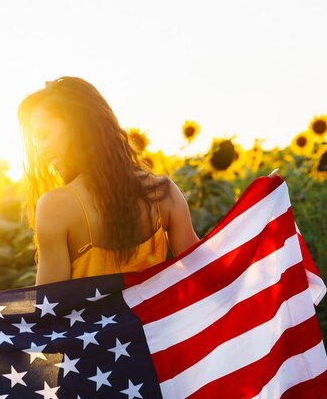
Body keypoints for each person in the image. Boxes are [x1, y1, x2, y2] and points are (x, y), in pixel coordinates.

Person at [17, 76, 201, 286]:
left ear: (78, 126)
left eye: (43, 134)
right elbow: (207, 274)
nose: (39, 150)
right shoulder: (163, 192)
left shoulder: (55, 207)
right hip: (162, 320)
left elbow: (49, 310)